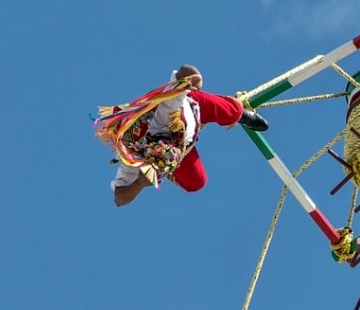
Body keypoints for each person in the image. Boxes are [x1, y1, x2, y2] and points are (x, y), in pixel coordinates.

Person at [96, 64, 270, 207]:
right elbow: (119, 199)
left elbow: (183, 71)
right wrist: (140, 183)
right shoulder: (134, 157)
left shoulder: (164, 115)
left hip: (195, 106)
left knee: (233, 111)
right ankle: (167, 165)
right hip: (178, 147)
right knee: (196, 182)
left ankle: (238, 112)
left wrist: (194, 78)